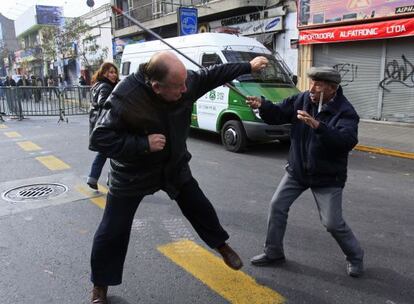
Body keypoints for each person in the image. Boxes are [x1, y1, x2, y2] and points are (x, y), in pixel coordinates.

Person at [88, 51, 268, 303]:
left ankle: (221, 246)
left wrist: (247, 65)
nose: (185, 90)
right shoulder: (125, 95)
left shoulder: (184, 83)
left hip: (173, 165)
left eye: (185, 83)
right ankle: (100, 286)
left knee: (198, 205)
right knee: (112, 230)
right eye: (178, 86)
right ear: (156, 86)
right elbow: (99, 138)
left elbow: (213, 74)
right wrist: (141, 144)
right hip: (132, 173)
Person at [247, 67, 364, 278]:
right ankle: (273, 252)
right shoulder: (302, 99)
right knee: (277, 206)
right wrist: (263, 105)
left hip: (327, 176)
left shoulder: (345, 112)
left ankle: (355, 256)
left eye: (318, 85)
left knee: (332, 223)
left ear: (332, 88)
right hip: (298, 170)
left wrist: (319, 126)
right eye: (311, 82)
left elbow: (345, 142)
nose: (311, 88)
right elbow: (278, 113)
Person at [86, 62, 119, 190]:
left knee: (105, 153)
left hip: (100, 125)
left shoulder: (98, 85)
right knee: (116, 153)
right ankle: (111, 180)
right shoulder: (105, 86)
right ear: (103, 73)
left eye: (114, 72)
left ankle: (93, 178)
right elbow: (103, 102)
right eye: (110, 72)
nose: (114, 74)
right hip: (107, 125)